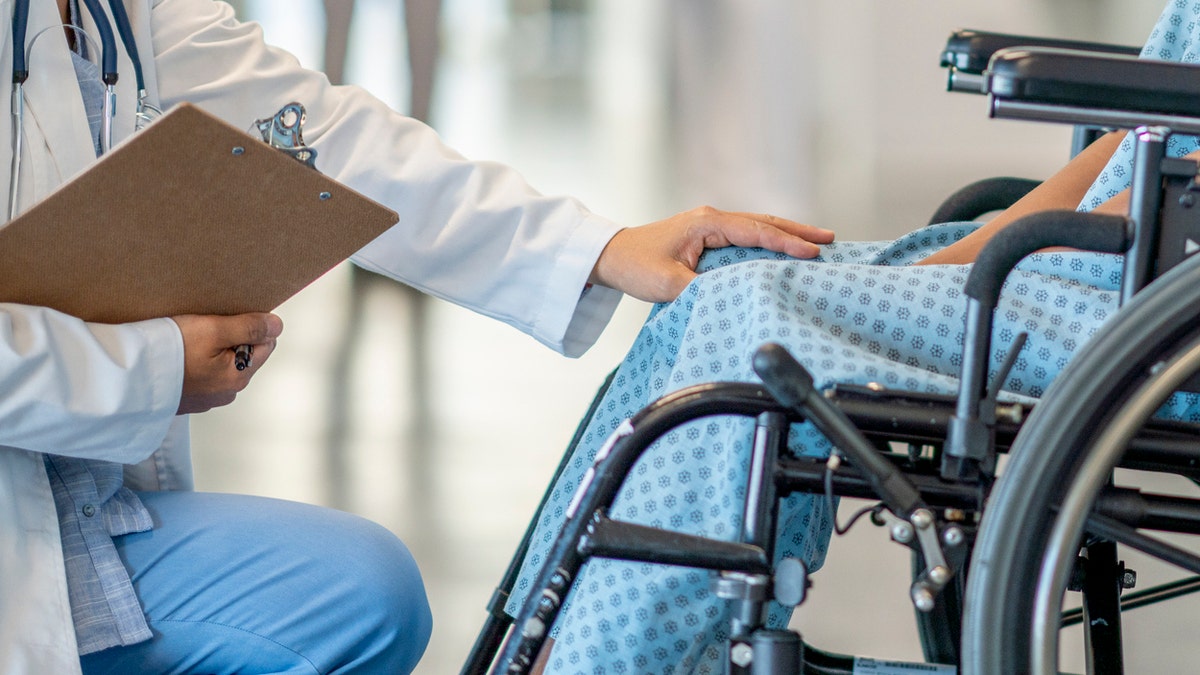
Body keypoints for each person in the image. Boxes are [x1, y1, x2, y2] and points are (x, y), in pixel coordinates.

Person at [0, 0, 836, 673]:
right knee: (360, 601)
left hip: (71, 508)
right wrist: (147, 370)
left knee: (365, 592)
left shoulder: (123, 10)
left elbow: (319, 137)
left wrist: (599, 248)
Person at [512, 2, 1200, 673]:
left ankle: (604, 658)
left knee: (753, 305)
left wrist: (996, 265)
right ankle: (541, 630)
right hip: (1100, 256)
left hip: (1140, 300)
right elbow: (1136, 134)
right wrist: (945, 269)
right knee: (723, 269)